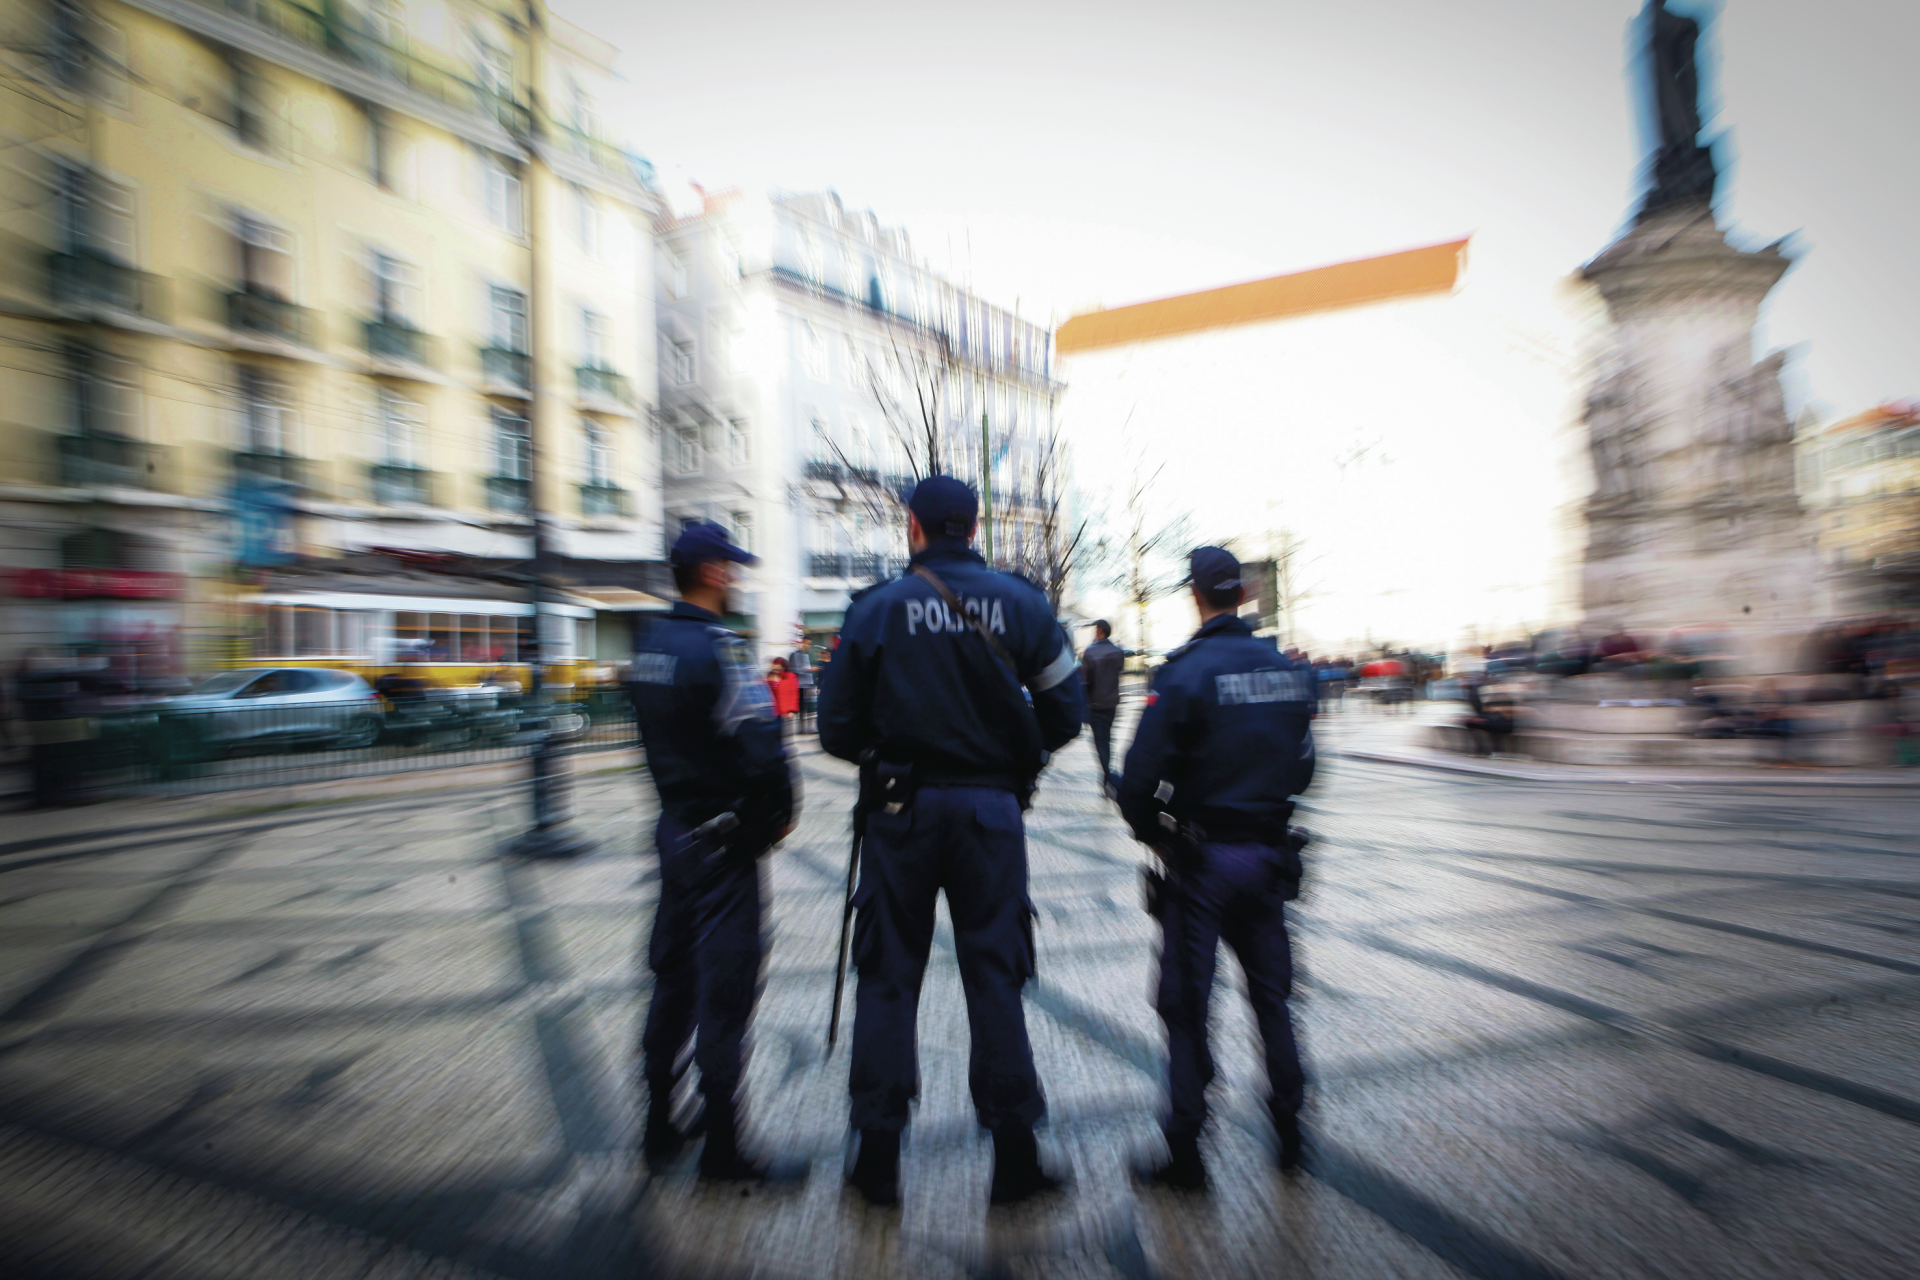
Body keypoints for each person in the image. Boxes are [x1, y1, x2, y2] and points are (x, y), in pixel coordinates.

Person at [817, 475, 1085, 1208]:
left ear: (913, 527)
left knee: (888, 976)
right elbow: (1068, 710)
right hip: (990, 816)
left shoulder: (875, 610)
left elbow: (834, 729)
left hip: (900, 815)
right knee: (994, 974)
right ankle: (1014, 1160)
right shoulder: (1026, 605)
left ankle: (875, 1160)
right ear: (974, 527)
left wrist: (886, 752)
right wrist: (1012, 760)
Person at [1117, 547, 1316, 1189]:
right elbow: (1308, 764)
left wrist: (1158, 834)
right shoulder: (1284, 668)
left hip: (1201, 860)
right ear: (1243, 594)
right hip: (1266, 854)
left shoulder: (1185, 673)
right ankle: (1290, 1133)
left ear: (1196, 595)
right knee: (1273, 999)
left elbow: (1139, 781)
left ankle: (1186, 1149)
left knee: (1184, 1004)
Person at [630, 521, 797, 1180]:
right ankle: (725, 1149)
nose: (735, 577)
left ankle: (658, 1124)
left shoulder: (650, 647)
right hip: (724, 844)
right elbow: (762, 746)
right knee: (723, 992)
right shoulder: (719, 650)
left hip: (673, 833)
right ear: (712, 573)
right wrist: (780, 815)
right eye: (730, 567)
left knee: (671, 982)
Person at [1080, 620, 1124, 791]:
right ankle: (1107, 776)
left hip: (1095, 704)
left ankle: (1107, 777)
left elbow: (1086, 681)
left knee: (1100, 742)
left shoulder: (1090, 652)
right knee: (1106, 739)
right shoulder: (1118, 652)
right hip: (1111, 703)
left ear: (1100, 631)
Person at [766, 656, 800, 721]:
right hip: (771, 710)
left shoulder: (790, 676)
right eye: (774, 666)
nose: (776, 668)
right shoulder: (769, 676)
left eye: (778, 667)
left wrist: (792, 710)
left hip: (783, 711)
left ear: (783, 667)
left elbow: (794, 693)